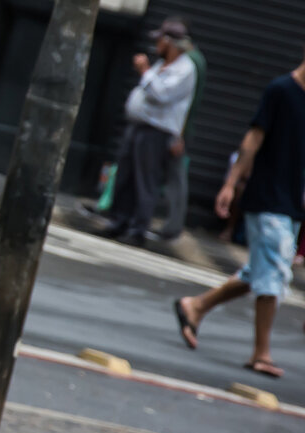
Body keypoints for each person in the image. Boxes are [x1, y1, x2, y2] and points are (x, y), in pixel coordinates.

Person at [173, 50, 305, 378]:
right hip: (265, 197)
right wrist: (230, 185)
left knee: (261, 270)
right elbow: (253, 139)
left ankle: (196, 306)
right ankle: (261, 353)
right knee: (273, 271)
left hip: (292, 202)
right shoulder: (280, 90)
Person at [101, 18, 197, 247]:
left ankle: (137, 229)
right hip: (139, 127)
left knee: (146, 181)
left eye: (160, 41)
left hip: (157, 133)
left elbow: (161, 95)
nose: (155, 45)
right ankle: (119, 222)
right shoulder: (161, 64)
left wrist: (144, 71)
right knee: (125, 176)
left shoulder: (185, 70)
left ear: (170, 42)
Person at [155, 27, 207, 241]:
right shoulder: (193, 59)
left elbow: (187, 103)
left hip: (178, 128)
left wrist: (180, 134)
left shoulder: (190, 62)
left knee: (175, 178)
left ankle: (173, 226)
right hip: (177, 127)